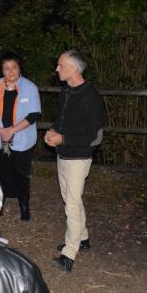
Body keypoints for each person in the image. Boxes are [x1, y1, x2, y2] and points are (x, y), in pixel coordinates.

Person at [44, 49, 104, 272]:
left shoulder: (90, 97)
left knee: (71, 203)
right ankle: (83, 239)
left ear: (74, 69)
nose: (56, 69)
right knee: (72, 199)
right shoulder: (66, 92)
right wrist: (53, 132)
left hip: (79, 158)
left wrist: (64, 139)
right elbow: (62, 119)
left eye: (60, 65)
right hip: (64, 154)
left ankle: (69, 253)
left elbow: (95, 137)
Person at [0, 52, 41, 221]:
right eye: (7, 68)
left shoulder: (30, 87)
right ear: (2, 70)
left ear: (19, 68)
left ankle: (24, 205)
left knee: (21, 173)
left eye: (14, 67)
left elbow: (33, 115)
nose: (11, 71)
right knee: (0, 171)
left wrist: (12, 130)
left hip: (22, 139)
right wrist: (1, 131)